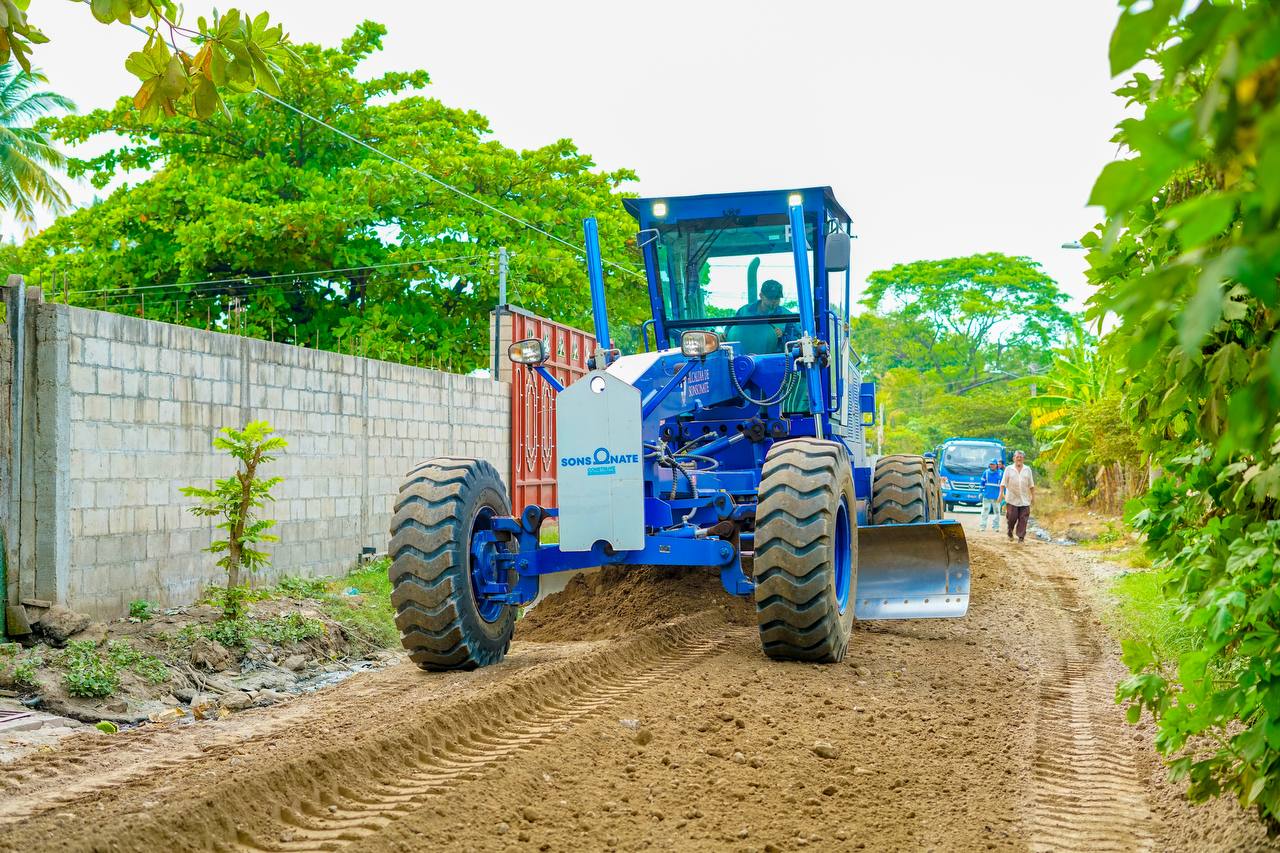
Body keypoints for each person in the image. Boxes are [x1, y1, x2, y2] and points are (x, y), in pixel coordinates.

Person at [727, 279, 798, 355]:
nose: (774, 301)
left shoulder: (786, 316)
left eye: (777, 298)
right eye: (770, 298)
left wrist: (782, 336)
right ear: (761, 296)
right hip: (744, 357)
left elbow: (794, 342)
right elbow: (729, 332)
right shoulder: (744, 311)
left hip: (774, 358)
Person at [999, 450, 1035, 542]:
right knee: (1012, 517)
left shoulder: (1027, 469)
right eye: (1017, 457)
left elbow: (1031, 484)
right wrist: (1001, 494)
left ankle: (1021, 537)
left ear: (1023, 459)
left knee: (1023, 519)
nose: (1019, 458)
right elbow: (1003, 483)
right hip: (1012, 499)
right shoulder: (1008, 469)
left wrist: (1033, 497)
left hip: (1024, 499)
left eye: (1021, 457)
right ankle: (1010, 531)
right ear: (1013, 458)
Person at [978, 459, 1002, 531]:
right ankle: (982, 526)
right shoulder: (986, 472)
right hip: (987, 495)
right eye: (990, 464)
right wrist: (980, 492)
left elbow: (1003, 485)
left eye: (993, 464)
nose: (992, 466)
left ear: (996, 465)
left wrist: (1003, 495)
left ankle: (996, 527)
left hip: (996, 496)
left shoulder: (1001, 473)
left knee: (997, 512)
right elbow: (982, 483)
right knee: (985, 511)